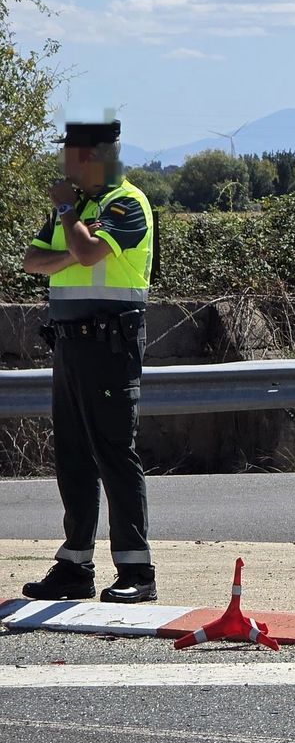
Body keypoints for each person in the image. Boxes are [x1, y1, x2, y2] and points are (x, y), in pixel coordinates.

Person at [20, 119, 158, 604]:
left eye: (73, 154)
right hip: (70, 346)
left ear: (97, 156)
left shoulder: (127, 203)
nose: (65, 164)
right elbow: (33, 260)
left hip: (110, 346)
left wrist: (68, 223)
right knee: (73, 457)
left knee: (115, 452)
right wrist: (72, 237)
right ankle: (74, 565)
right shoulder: (77, 208)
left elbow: (84, 249)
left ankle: (137, 571)